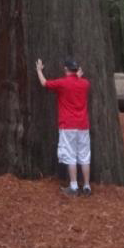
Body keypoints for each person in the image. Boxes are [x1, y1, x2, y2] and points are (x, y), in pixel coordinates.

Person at [36, 57, 91, 196]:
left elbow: (44, 83)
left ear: (66, 69)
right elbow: (77, 83)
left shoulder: (62, 83)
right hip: (83, 125)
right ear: (77, 70)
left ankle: (74, 186)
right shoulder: (85, 83)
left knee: (71, 155)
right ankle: (86, 186)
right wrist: (78, 77)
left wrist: (39, 70)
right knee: (85, 156)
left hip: (68, 125)